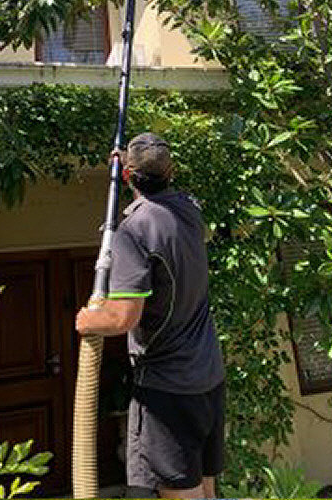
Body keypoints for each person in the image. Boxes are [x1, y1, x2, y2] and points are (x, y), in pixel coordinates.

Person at [76, 132, 225, 499]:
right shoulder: (190, 210)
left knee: (181, 493)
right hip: (208, 376)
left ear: (128, 177)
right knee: (206, 489)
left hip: (167, 389)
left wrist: (87, 321)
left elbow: (123, 318)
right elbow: (160, 200)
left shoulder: (134, 231)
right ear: (170, 173)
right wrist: (125, 168)